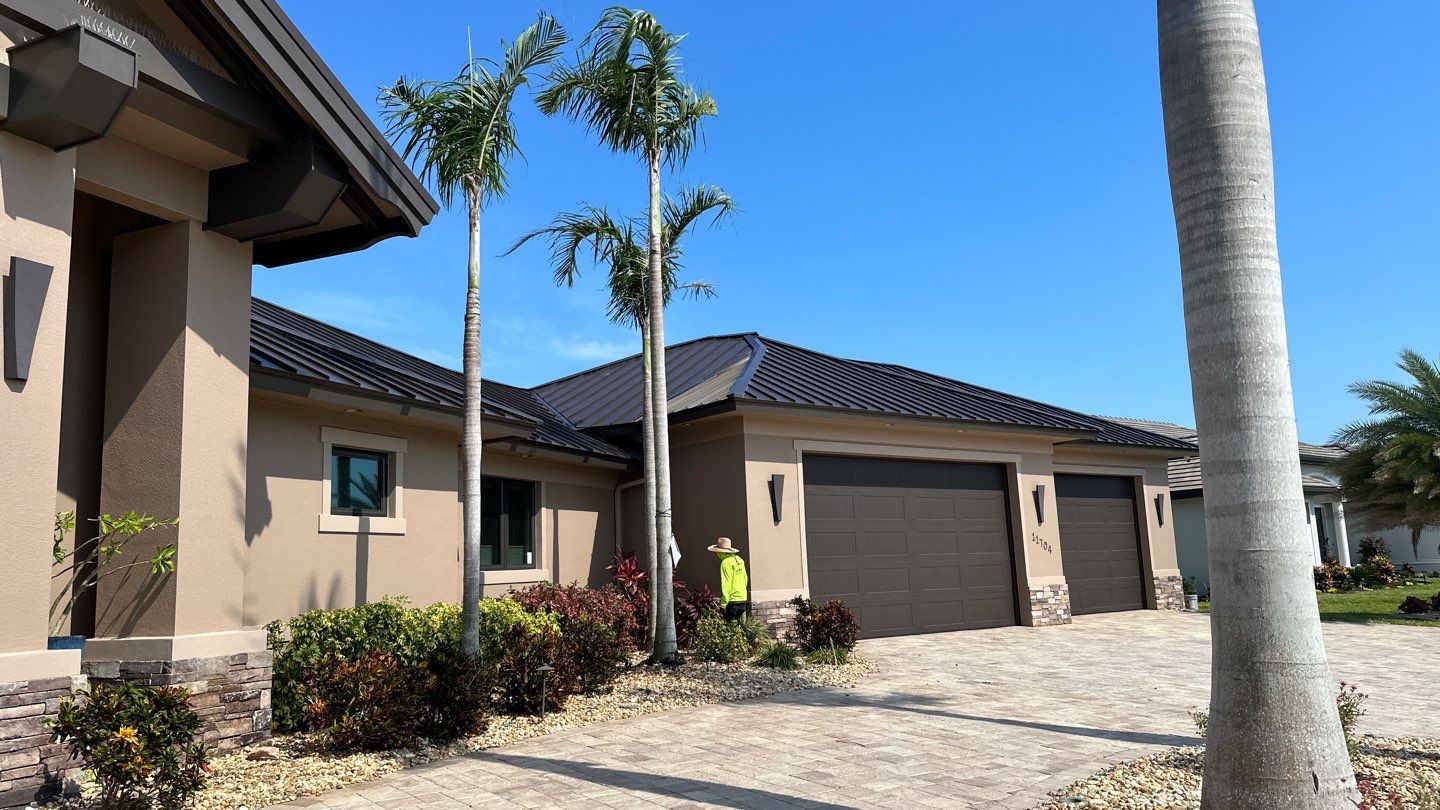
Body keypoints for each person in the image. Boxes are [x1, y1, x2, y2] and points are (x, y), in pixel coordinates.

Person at [707, 536, 749, 621]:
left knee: (727, 627)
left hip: (732, 601)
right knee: (737, 628)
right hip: (743, 599)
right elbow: (745, 578)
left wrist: (723, 604)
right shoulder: (739, 560)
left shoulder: (725, 563)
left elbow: (726, 584)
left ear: (719, 552)